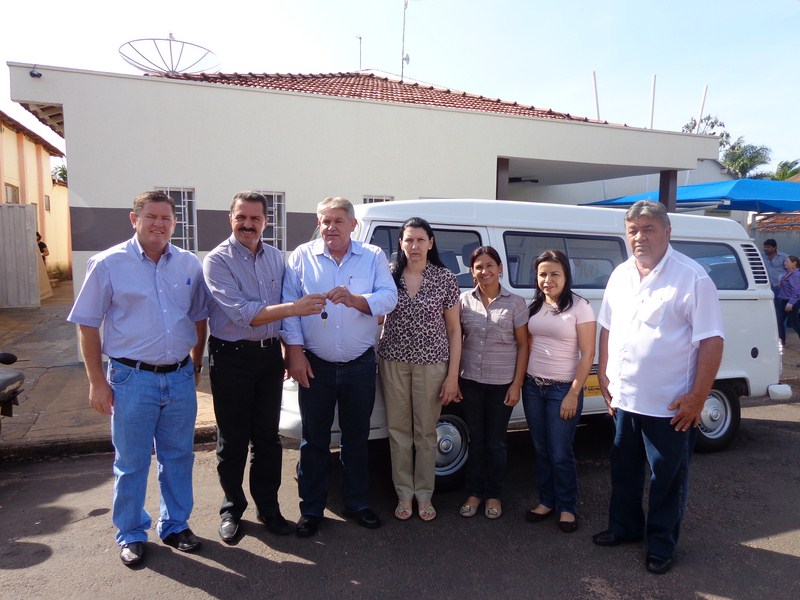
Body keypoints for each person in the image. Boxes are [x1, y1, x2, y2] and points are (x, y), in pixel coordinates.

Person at [67, 190, 209, 567]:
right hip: (132, 378)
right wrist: (97, 382)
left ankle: (175, 525)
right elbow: (87, 324)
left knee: (178, 456)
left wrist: (196, 365)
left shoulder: (188, 264)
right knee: (131, 461)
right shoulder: (107, 263)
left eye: (166, 218)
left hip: (179, 376)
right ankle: (130, 532)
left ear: (174, 223)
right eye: (151, 217)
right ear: (135, 219)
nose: (159, 224)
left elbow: (199, 318)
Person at [592, 200, 724, 575]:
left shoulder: (692, 277)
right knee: (624, 470)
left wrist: (697, 397)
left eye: (648, 229)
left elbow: (712, 340)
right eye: (633, 230)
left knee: (667, 477)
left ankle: (662, 544)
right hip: (626, 399)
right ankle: (625, 528)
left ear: (667, 232)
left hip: (670, 405)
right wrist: (604, 376)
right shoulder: (620, 274)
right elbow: (607, 327)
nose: (640, 237)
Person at [203, 191, 327, 543]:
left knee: (268, 439)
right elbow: (246, 315)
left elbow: (281, 316)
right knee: (232, 440)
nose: (248, 224)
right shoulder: (217, 261)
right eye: (241, 217)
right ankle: (232, 509)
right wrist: (294, 308)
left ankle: (268, 509)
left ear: (266, 222)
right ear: (231, 218)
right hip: (231, 357)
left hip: (268, 357)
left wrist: (290, 350)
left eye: (255, 218)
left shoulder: (275, 258)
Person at [282, 197, 397, 537]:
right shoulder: (301, 256)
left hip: (359, 364)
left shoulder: (372, 256)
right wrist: (295, 353)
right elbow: (289, 309)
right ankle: (311, 509)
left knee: (357, 439)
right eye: (325, 221)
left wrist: (356, 300)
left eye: (338, 221)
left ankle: (357, 504)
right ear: (318, 224)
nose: (330, 227)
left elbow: (389, 297)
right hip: (314, 364)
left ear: (353, 225)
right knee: (313, 440)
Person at [377, 217, 461, 522]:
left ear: (430, 243)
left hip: (432, 365)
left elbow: (454, 330)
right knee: (398, 432)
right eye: (408, 240)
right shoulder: (388, 275)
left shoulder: (445, 278)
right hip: (393, 362)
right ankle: (404, 495)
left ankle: (424, 495)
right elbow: (375, 314)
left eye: (420, 240)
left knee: (425, 433)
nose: (414, 246)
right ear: (400, 243)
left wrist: (452, 376)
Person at [522, 249, 595, 533]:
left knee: (560, 451)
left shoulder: (580, 306)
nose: (547, 280)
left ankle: (567, 507)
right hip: (533, 387)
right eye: (542, 274)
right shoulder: (535, 305)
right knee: (541, 449)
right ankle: (546, 501)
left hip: (562, 390)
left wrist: (573, 394)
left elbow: (587, 355)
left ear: (566, 276)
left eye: (554, 274)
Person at [458, 245, 528, 520]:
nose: (484, 271)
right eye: (478, 267)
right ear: (472, 271)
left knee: (496, 442)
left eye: (489, 265)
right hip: (470, 381)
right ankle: (474, 493)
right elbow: (456, 339)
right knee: (476, 440)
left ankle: (494, 495)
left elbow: (523, 345)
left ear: (500, 268)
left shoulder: (515, 303)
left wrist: (517, 384)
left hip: (502, 383)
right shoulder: (464, 301)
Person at [763, 239, 789, 342]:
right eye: (765, 247)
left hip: (780, 289)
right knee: (767, 314)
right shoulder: (762, 256)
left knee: (779, 316)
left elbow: (791, 270)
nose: (766, 249)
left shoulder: (784, 257)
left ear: (775, 247)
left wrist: (783, 281)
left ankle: (781, 340)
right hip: (766, 288)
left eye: (768, 247)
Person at [776, 255, 800, 346]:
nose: (785, 263)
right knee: (779, 321)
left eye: (787, 261)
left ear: (794, 263)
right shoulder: (787, 273)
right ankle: (781, 342)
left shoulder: (795, 275)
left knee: (794, 323)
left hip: (790, 302)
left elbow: (796, 290)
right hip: (783, 300)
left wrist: (791, 303)